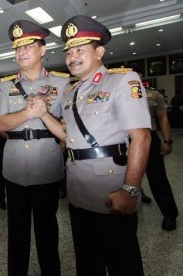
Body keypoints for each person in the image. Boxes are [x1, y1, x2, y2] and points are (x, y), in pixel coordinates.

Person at [27, 15, 151, 275]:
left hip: (111, 190)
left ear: (100, 52)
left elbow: (141, 137)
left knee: (122, 263)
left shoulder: (122, 81)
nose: (72, 57)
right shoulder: (72, 92)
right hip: (77, 191)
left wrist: (130, 190)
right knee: (87, 262)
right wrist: (43, 113)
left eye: (80, 49)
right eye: (69, 51)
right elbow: (66, 133)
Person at [0, 20, 69, 276]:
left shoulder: (62, 84)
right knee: (17, 231)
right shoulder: (6, 85)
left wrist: (44, 115)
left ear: (43, 50)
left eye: (27, 46)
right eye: (17, 48)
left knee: (48, 230)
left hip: (47, 166)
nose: (21, 52)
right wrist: (27, 114)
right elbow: (0, 123)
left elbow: (69, 128)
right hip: (14, 168)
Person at [137, 73, 178, 231]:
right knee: (124, 175)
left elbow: (163, 119)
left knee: (157, 177)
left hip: (149, 138)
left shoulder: (153, 94)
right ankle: (138, 194)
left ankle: (170, 214)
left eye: (138, 77)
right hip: (125, 140)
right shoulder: (117, 93)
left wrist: (167, 141)